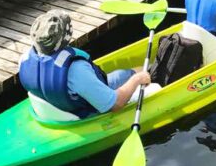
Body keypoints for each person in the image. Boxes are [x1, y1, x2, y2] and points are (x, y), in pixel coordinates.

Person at [19, 9, 152, 123]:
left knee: (126, 73)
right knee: (133, 75)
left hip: (54, 105)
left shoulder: (25, 59)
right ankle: (151, 77)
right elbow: (115, 104)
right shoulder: (76, 70)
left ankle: (143, 74)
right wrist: (137, 80)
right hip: (85, 111)